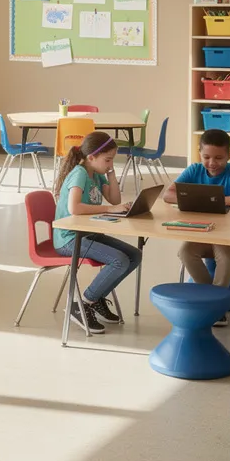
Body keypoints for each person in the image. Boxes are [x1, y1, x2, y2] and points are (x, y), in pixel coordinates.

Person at [52, 131, 142, 333]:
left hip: (88, 234)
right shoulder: (80, 173)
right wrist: (109, 210)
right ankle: (82, 305)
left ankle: (96, 298)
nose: (110, 163)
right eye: (107, 160)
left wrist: (110, 172)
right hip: (69, 238)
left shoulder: (96, 173)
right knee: (119, 260)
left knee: (135, 255)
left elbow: (115, 200)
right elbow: (75, 207)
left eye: (113, 160)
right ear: (91, 157)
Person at [161, 128, 230, 326]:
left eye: (219, 157)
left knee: (226, 256)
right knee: (185, 251)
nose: (212, 163)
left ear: (229, 155)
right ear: (199, 153)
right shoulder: (194, 169)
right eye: (207, 157)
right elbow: (168, 195)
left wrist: (215, 200)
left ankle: (217, 307)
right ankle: (211, 300)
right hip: (203, 233)